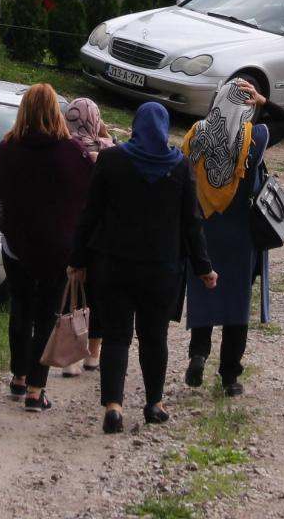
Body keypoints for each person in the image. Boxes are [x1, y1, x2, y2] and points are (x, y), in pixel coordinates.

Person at [68, 103, 214, 434]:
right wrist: (204, 267)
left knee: (116, 336)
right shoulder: (179, 166)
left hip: (112, 264)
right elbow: (192, 222)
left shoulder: (111, 160)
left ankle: (114, 407)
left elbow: (90, 214)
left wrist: (76, 260)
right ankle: (154, 404)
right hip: (161, 269)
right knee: (153, 336)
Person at [0, 85, 95, 412]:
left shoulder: (8, 147)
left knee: (20, 307)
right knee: (46, 314)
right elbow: (90, 193)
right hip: (58, 249)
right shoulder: (71, 152)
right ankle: (35, 389)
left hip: (16, 244)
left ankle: (17, 376)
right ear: (55, 111)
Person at [182, 80, 269, 398]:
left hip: (203, 228)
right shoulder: (254, 138)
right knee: (236, 302)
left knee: (204, 291)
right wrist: (262, 101)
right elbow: (282, 125)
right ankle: (230, 375)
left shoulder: (197, 133)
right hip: (240, 234)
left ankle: (198, 354)